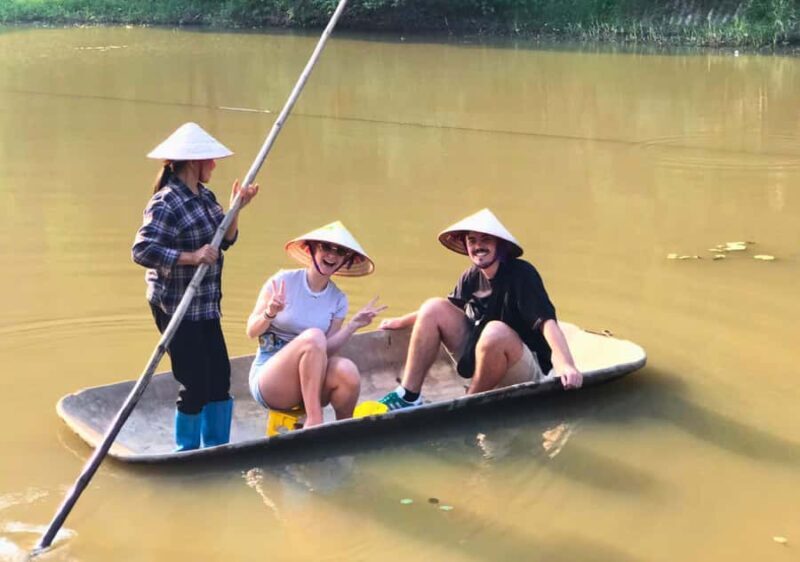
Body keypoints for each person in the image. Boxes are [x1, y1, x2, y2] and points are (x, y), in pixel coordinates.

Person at [132, 122, 259, 451]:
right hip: (174, 304)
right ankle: (187, 450)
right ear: (194, 162)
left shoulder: (204, 196)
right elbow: (142, 251)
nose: (215, 165)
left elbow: (225, 240)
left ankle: (217, 447)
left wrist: (236, 208)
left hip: (205, 302)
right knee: (195, 383)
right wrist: (190, 257)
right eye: (211, 160)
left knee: (220, 377)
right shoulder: (165, 203)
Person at [379, 208, 582, 410]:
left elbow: (547, 322)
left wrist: (566, 364)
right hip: (483, 358)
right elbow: (447, 308)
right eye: (472, 241)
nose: (478, 246)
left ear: (499, 246)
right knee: (433, 306)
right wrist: (401, 321)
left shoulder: (522, 273)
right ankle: (408, 395)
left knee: (494, 331)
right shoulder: (471, 276)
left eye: (485, 240)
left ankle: (470, 402)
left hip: (523, 365)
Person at [246, 221, 386, 428]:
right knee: (313, 336)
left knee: (347, 371)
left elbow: (325, 349)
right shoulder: (282, 280)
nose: (331, 255)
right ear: (311, 249)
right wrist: (270, 312)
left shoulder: (339, 299)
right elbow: (251, 331)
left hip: (311, 377)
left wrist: (353, 325)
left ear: (346, 260)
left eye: (339, 252)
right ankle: (315, 419)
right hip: (271, 376)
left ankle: (343, 433)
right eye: (326, 247)